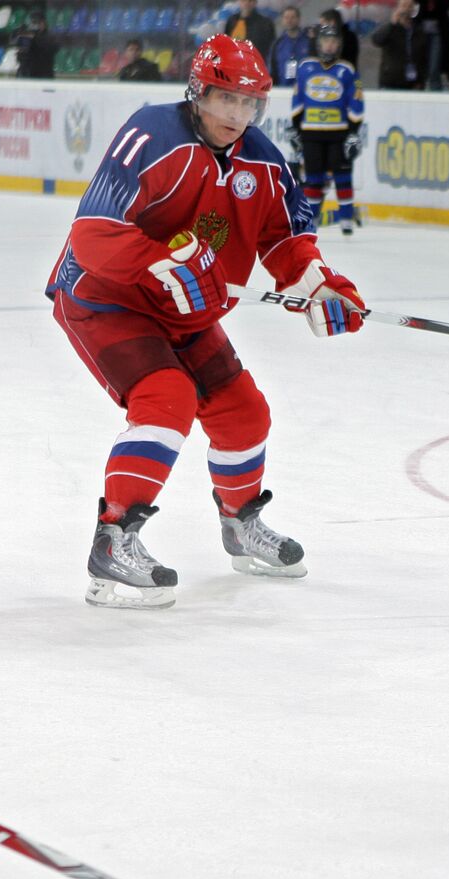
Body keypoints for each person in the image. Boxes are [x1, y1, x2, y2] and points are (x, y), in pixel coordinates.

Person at [45, 35, 366, 610]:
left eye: (249, 104)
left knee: (245, 412)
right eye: (224, 99)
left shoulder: (263, 159)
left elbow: (286, 241)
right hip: (105, 295)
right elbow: (91, 235)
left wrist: (324, 286)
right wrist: (162, 260)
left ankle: (240, 524)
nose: (236, 115)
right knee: (167, 398)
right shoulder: (152, 133)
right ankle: (113, 542)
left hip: (183, 308)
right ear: (197, 92)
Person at [292, 24, 364, 233]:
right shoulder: (305, 68)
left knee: (342, 175)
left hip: (339, 133)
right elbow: (298, 98)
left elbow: (356, 102)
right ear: (319, 43)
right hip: (311, 133)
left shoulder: (347, 70)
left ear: (339, 45)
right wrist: (295, 127)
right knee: (313, 178)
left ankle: (346, 222)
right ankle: (310, 222)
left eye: (333, 42)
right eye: (326, 41)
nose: (329, 46)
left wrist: (353, 132)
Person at [372, 0, 429, 89]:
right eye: (403, 6)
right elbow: (377, 40)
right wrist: (392, 24)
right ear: (397, 8)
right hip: (390, 81)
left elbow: (424, 59)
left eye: (409, 6)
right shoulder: (391, 28)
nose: (406, 9)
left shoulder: (419, 32)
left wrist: (420, 81)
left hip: (411, 83)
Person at [414, 0, 449, 90]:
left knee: (434, 68)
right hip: (419, 28)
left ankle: (436, 93)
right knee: (419, 67)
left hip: (439, 29)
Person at [224, 0, 277, 73]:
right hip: (234, 67)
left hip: (255, 67)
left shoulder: (265, 23)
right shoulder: (232, 21)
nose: (246, 3)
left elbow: (271, 48)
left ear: (255, 3)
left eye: (250, 1)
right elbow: (226, 44)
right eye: (244, 1)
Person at [270, 5, 313, 86]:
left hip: (304, 88)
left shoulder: (309, 41)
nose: (289, 20)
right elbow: (272, 69)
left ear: (299, 19)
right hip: (282, 89)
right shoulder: (277, 43)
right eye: (286, 17)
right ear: (282, 20)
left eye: (293, 17)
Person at [14, 10, 58, 79]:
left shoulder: (50, 36)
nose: (36, 25)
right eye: (33, 22)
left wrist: (35, 38)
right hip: (27, 73)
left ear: (44, 23)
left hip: (43, 74)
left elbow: (51, 49)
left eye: (38, 22)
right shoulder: (27, 36)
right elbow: (21, 56)